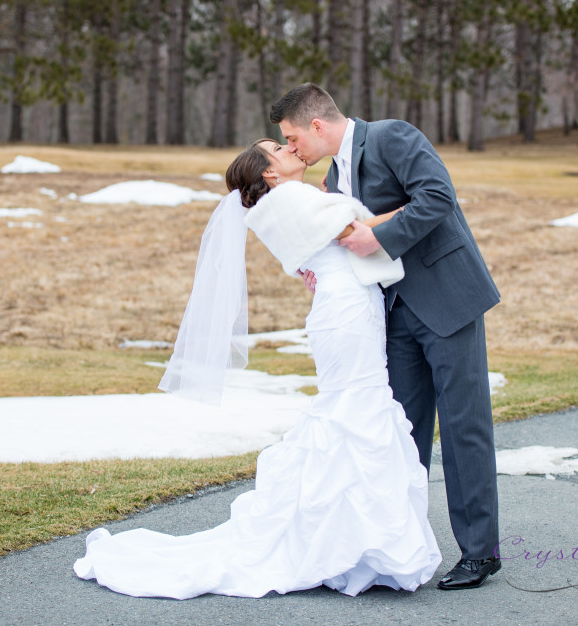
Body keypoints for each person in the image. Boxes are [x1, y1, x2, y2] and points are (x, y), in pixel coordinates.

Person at [73, 139, 441, 599]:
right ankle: (356, 545)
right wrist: (417, 206)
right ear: (269, 173)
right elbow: (357, 232)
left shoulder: (278, 206)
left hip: (344, 308)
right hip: (346, 310)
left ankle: (352, 544)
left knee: (355, 410)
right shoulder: (291, 197)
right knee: (357, 411)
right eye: (277, 148)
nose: (290, 148)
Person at [269, 83, 502, 590]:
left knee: (464, 427)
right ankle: (401, 547)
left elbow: (438, 197)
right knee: (401, 433)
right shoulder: (331, 176)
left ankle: (481, 553)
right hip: (392, 315)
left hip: (447, 299)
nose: (291, 149)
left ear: (315, 125)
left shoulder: (393, 137)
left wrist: (378, 235)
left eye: (291, 137)